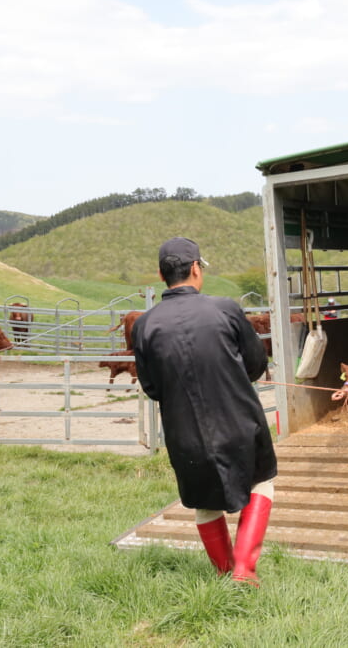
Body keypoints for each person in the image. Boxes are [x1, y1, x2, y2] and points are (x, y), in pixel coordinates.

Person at [132, 237, 277, 585]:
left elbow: (151, 387)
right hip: (239, 422)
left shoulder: (144, 325)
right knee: (261, 485)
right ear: (196, 268)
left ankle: (226, 572)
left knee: (205, 503)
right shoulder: (225, 309)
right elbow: (257, 364)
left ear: (160, 274)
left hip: (185, 434)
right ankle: (244, 569)